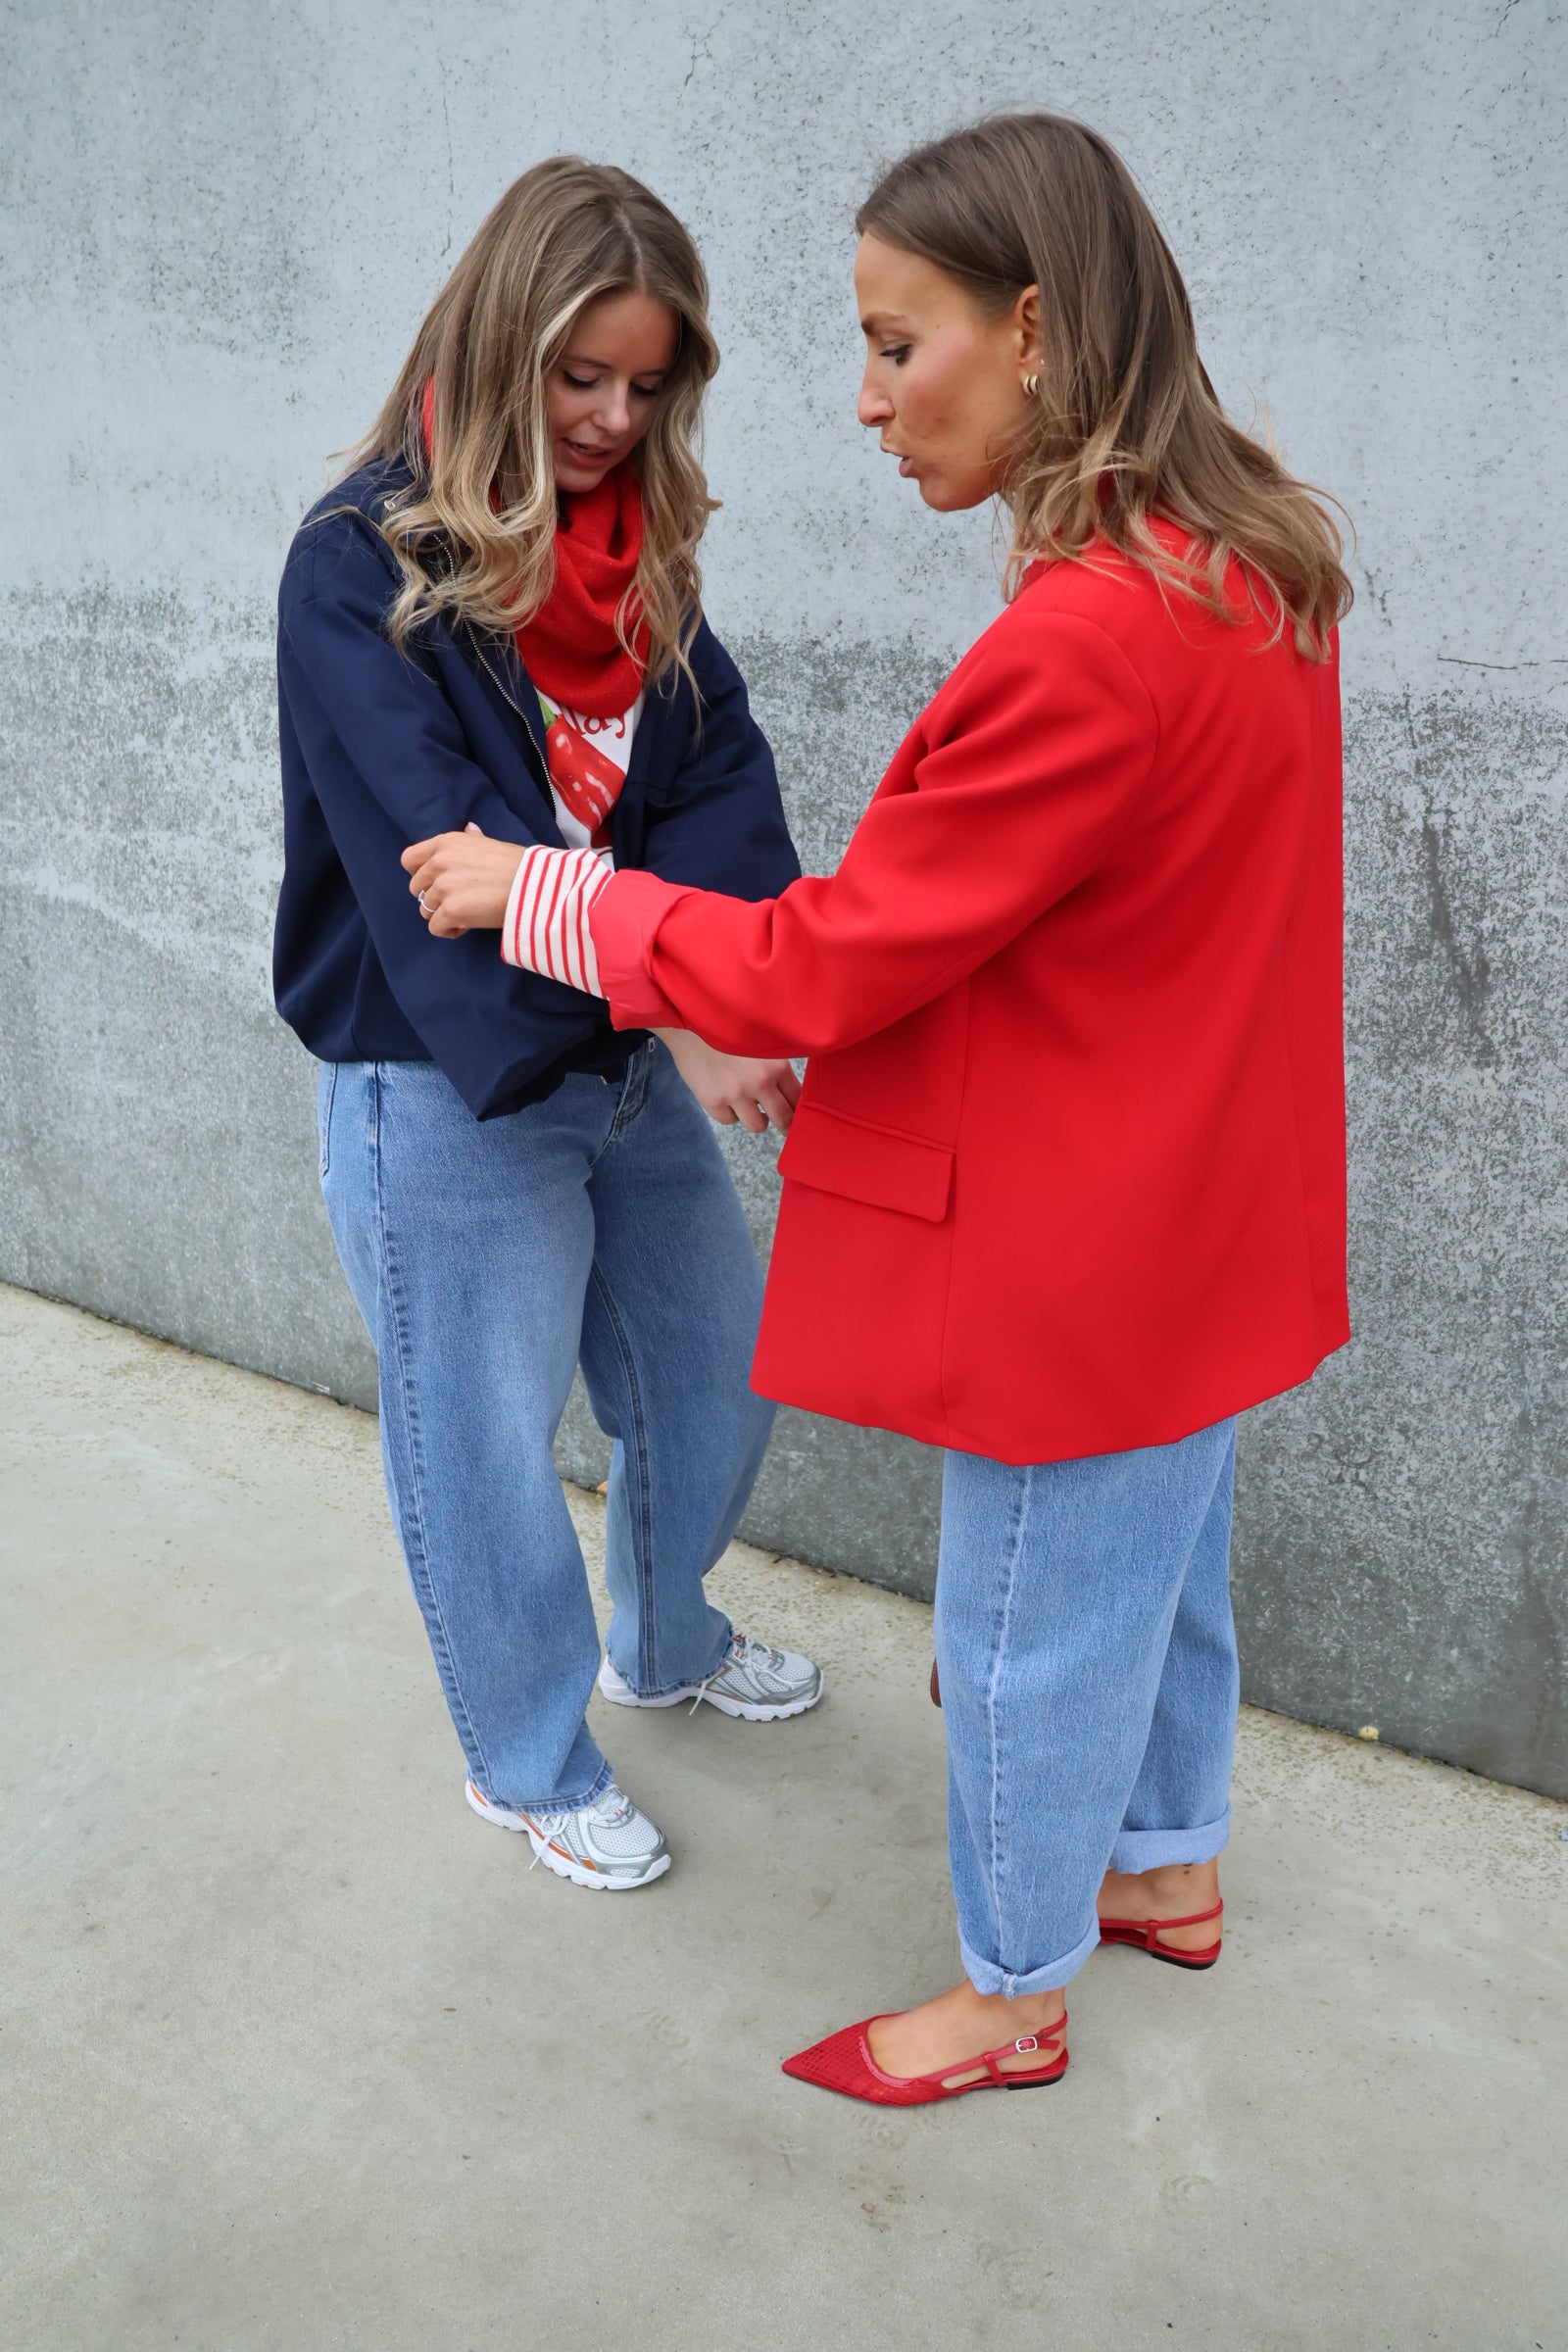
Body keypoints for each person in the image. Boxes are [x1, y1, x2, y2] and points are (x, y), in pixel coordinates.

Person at [402, 115, 1351, 2094]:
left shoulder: (1088, 637)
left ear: (1031, 328)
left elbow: (828, 961)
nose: (863, 400)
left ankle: (1009, 1994)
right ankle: (1164, 1876)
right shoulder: (1245, 562)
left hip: (1071, 1240)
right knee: (1158, 1567)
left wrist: (551, 889)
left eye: (894, 343)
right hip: (1201, 1203)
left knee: (1018, 1626)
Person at [273, 157, 824, 1899]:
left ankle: (660, 1639)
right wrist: (685, 997)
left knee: (719, 1373)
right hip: (439, 1080)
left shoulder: (633, 560)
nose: (610, 417)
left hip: (618, 1052)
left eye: (647, 385)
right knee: (482, 1450)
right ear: (501, 344)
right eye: (579, 376)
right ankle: (525, 1759)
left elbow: (716, 776)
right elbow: (446, 866)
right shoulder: (357, 569)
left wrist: (723, 990)